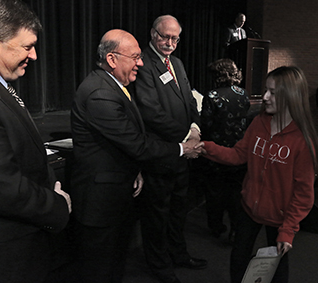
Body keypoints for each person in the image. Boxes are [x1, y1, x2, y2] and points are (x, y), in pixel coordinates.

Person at [70, 29, 201, 283]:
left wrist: (136, 170)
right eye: (135, 57)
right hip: (100, 203)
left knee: (114, 265)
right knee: (99, 270)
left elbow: (121, 142)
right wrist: (182, 149)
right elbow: (137, 144)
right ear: (111, 59)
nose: (140, 63)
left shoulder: (113, 85)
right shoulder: (101, 93)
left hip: (115, 194)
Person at [0, 0, 72, 282]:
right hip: (0, 258)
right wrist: (57, 205)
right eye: (27, 46)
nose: (34, 56)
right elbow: (0, 187)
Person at [199, 66, 318, 283]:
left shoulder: (302, 140)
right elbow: (237, 155)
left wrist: (288, 230)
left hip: (280, 216)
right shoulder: (259, 123)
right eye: (266, 90)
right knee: (239, 259)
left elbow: (304, 193)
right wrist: (204, 147)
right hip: (248, 207)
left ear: (290, 96)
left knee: (277, 268)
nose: (265, 97)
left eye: (272, 92)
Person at [134, 15, 207, 283]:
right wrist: (186, 136)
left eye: (175, 38)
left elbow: (190, 102)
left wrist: (196, 128)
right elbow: (150, 111)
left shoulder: (176, 63)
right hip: (162, 153)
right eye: (165, 36)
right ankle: (160, 267)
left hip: (183, 154)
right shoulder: (142, 63)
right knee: (157, 217)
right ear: (153, 34)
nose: (170, 43)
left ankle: (179, 254)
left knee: (178, 211)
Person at [200, 58, 250, 241]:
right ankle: (236, 229)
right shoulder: (243, 94)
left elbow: (206, 124)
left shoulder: (212, 96)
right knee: (236, 193)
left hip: (217, 152)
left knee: (215, 193)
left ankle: (217, 227)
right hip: (238, 151)